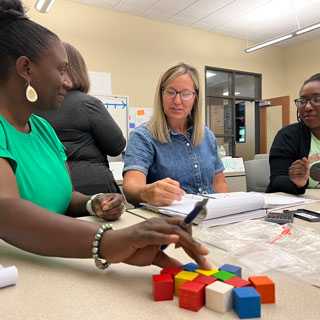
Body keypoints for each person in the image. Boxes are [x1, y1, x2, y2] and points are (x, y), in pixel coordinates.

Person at [0, 0, 211, 271]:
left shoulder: (43, 129)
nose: (68, 81)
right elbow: (6, 211)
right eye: (62, 70)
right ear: (26, 69)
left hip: (53, 262)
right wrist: (109, 241)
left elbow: (63, 199)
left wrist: (92, 203)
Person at [123, 62, 229, 206]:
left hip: (209, 217)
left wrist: (227, 210)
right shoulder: (143, 137)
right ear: (161, 94)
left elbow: (219, 183)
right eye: (170, 92)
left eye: (185, 94)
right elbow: (131, 188)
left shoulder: (207, 135)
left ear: (195, 98)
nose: (177, 101)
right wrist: (146, 192)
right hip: (169, 223)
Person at [36, 42, 125, 196]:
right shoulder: (88, 104)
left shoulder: (34, 108)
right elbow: (116, 146)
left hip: (52, 186)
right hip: (93, 185)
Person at [267, 73, 320, 194]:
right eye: (302, 101)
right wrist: (297, 182)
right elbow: (276, 179)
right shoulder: (288, 135)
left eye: (316, 99)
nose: (307, 107)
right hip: (296, 206)